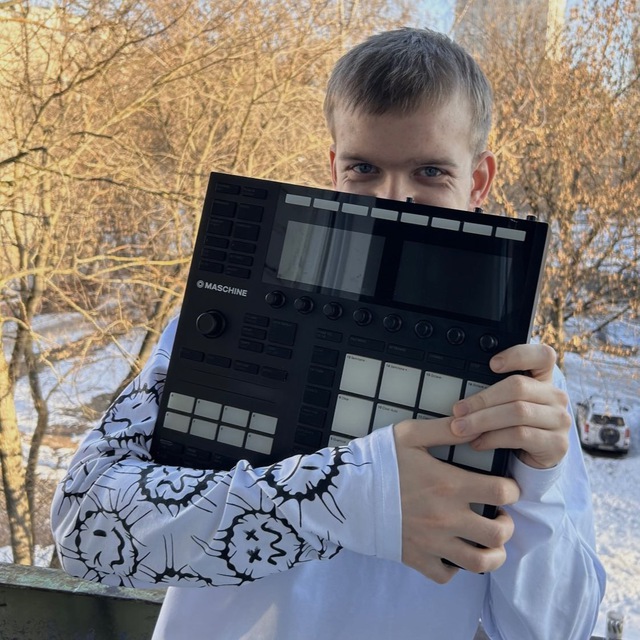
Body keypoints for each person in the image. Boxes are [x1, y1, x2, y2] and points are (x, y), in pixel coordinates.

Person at [51, 27, 605, 639]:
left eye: (430, 171)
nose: (393, 199)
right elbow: (84, 525)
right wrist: (352, 497)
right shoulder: (221, 324)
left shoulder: (520, 390)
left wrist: (541, 484)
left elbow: (560, 630)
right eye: (364, 167)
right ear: (333, 169)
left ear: (478, 181)